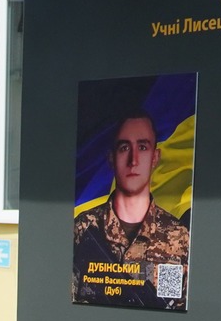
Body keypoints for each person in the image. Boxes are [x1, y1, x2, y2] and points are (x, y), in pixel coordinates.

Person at [72, 112, 191, 309]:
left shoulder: (178, 238)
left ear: (155, 157)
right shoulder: (82, 228)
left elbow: (178, 311)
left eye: (142, 147)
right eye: (124, 148)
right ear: (112, 158)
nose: (133, 160)